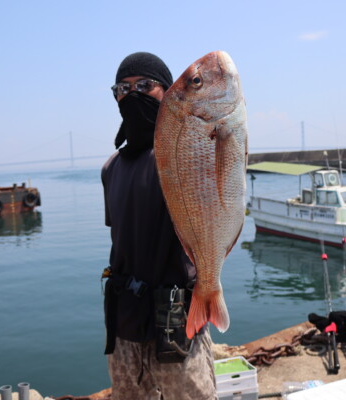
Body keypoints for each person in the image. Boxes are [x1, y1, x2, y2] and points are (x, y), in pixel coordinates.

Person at [101, 52, 217, 400]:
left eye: (144, 85)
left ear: (167, 92)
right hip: (124, 326)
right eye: (122, 88)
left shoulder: (187, 156)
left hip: (178, 324)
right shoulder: (111, 168)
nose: (131, 94)